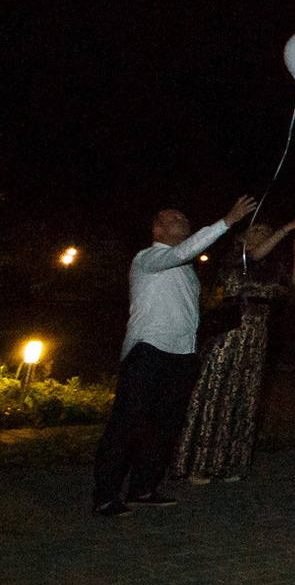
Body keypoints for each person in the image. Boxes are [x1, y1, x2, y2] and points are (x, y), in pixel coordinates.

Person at [93, 193, 257, 515]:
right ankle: (106, 495)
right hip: (147, 350)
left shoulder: (186, 268)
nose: (183, 221)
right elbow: (184, 251)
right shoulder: (148, 258)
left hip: (182, 354)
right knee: (126, 424)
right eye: (174, 218)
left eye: (184, 218)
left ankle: (144, 487)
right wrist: (227, 222)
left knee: (164, 426)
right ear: (157, 229)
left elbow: (184, 309)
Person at [174, 213, 295, 483]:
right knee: (216, 394)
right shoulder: (235, 259)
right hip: (230, 334)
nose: (261, 234)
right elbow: (256, 254)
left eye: (265, 230)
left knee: (243, 397)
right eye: (256, 230)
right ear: (242, 237)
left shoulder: (269, 264)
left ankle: (229, 463)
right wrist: (285, 227)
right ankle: (198, 464)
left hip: (257, 336)